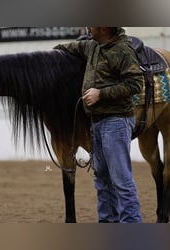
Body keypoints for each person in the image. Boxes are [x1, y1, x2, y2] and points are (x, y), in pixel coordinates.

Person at [54, 27, 143, 223]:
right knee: (102, 180)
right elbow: (73, 47)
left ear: (103, 28)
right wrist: (53, 54)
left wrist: (101, 94)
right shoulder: (93, 45)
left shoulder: (122, 50)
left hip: (116, 122)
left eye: (92, 25)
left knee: (121, 181)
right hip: (98, 123)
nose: (88, 28)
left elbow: (136, 84)